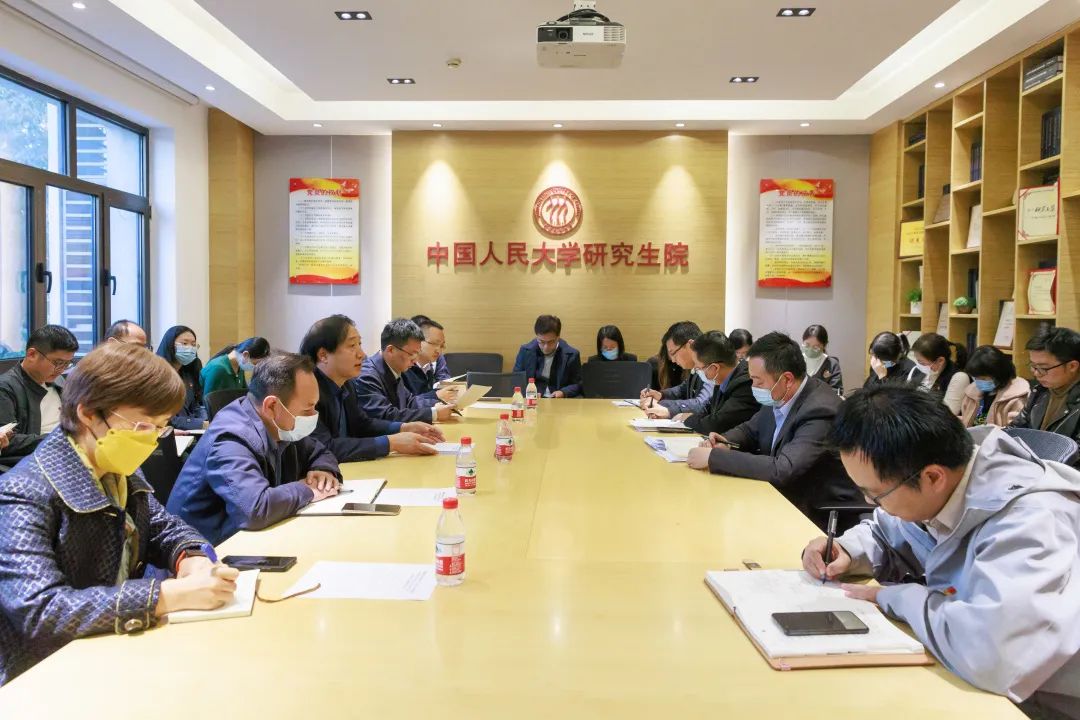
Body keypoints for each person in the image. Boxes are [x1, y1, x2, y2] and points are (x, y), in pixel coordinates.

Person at [801, 385, 1080, 718]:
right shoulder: (944, 473)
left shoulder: (1031, 522)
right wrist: (848, 549)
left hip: (1042, 701)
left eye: (875, 494)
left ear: (932, 477)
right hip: (983, 680)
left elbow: (990, 656)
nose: (870, 503)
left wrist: (898, 598)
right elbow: (889, 530)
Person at [0, 342, 238, 686]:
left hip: (113, 652)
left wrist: (192, 558)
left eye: (160, 427)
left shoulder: (114, 466)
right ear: (88, 413)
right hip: (46, 677)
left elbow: (163, 527)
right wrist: (165, 596)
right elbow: (41, 612)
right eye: (142, 426)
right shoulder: (23, 491)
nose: (151, 440)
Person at [686, 332, 860, 530]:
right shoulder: (781, 394)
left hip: (816, 512)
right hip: (780, 497)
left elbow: (783, 469)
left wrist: (714, 458)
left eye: (758, 381)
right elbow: (750, 429)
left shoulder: (820, 410)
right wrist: (723, 440)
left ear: (787, 379)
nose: (753, 386)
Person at [167, 353, 342, 545]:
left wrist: (323, 470)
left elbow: (319, 451)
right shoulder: (230, 438)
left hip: (248, 540)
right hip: (203, 552)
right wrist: (307, 489)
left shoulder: (281, 426)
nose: (314, 415)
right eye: (307, 409)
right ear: (272, 406)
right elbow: (254, 509)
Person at [300, 314, 443, 463]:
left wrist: (404, 427)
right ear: (323, 355)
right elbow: (325, 447)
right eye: (352, 346)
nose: (362, 354)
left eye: (359, 344)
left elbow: (362, 424)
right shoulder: (307, 391)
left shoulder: (347, 383)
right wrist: (391, 443)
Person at [0, 325, 79, 469]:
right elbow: (8, 442)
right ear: (32, 354)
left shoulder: (59, 381)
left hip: (66, 454)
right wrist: (60, 440)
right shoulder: (5, 388)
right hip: (32, 464)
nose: (61, 369)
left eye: (67, 364)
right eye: (58, 363)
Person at [356, 318, 456, 422]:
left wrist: (437, 405)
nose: (415, 360)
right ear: (391, 350)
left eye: (418, 353)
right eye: (412, 354)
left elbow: (410, 402)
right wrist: (433, 413)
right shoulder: (368, 376)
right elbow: (385, 415)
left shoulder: (394, 368)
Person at [676, 331, 759, 435]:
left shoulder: (745, 383)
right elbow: (708, 410)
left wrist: (688, 419)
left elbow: (716, 425)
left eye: (698, 367)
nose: (695, 370)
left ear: (714, 368)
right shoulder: (722, 380)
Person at [1011, 327, 1080, 443]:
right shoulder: (1040, 391)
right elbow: (1016, 429)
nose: (1036, 373)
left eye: (1043, 368)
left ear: (1072, 366)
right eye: (1033, 366)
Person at [639, 321, 705, 415]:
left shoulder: (711, 366)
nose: (673, 360)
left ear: (689, 345)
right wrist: (661, 395)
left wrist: (663, 406)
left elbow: (701, 404)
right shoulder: (696, 367)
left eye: (673, 353)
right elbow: (683, 389)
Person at [512, 314, 583, 398]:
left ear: (558, 337)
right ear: (537, 336)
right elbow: (516, 379)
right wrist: (530, 392)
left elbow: (578, 384)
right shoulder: (525, 351)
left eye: (551, 342)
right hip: (533, 399)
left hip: (559, 399)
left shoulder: (572, 355)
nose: (546, 347)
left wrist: (563, 392)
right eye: (541, 342)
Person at [960, 346, 1030, 427]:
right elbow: (966, 419)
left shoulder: (1017, 397)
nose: (978, 382)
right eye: (976, 378)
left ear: (999, 374)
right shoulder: (971, 393)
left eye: (983, 378)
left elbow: (1014, 430)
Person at [156, 325, 206, 431]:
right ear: (170, 345)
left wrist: (208, 420)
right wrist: (202, 424)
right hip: (171, 432)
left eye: (193, 344)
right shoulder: (157, 374)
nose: (190, 348)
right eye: (184, 343)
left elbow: (196, 404)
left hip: (193, 429)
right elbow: (165, 418)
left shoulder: (190, 371)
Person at [401, 315, 458, 407]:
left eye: (442, 346)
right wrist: (436, 395)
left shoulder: (428, 367)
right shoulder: (404, 367)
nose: (438, 350)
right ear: (418, 340)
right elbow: (406, 403)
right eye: (434, 343)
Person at [908, 333, 971, 414]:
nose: (919, 366)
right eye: (918, 361)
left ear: (940, 361)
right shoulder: (918, 371)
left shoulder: (959, 378)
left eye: (922, 363)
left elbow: (948, 414)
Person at [200, 337, 271, 396]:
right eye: (256, 364)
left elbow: (244, 394)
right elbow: (209, 403)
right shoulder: (217, 369)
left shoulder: (239, 368)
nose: (255, 367)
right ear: (246, 355)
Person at [801, 324, 842, 394]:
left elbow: (837, 391)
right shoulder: (795, 360)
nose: (810, 350)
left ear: (824, 345)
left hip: (823, 400)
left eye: (816, 347)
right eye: (807, 345)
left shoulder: (832, 364)